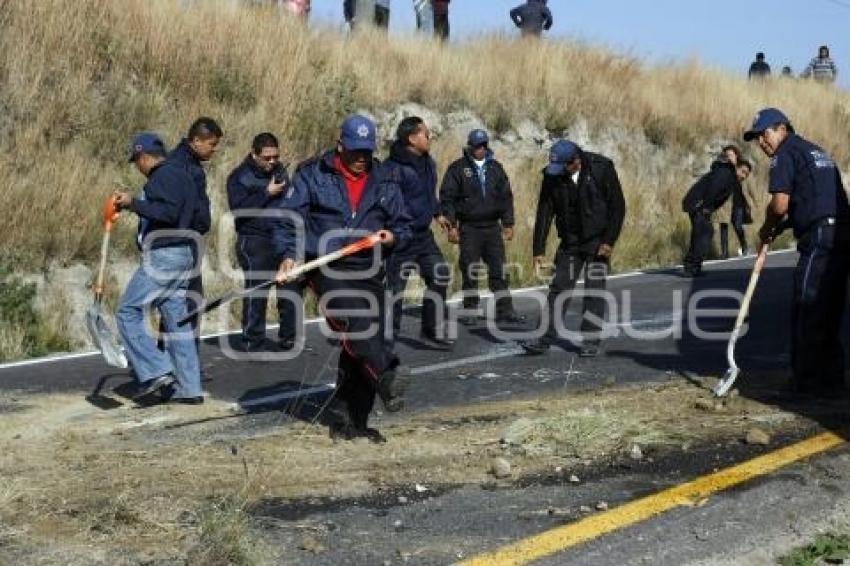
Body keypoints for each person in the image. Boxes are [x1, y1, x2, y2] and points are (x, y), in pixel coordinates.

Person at [275, 115, 412, 443]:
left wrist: (393, 237)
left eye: (366, 151)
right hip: (326, 269)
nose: (361, 158)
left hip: (369, 268)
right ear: (340, 146)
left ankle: (351, 422)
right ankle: (389, 374)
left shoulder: (386, 180)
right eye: (354, 151)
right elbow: (289, 220)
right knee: (357, 323)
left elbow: (404, 226)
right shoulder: (312, 175)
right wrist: (289, 257)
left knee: (363, 346)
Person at [744, 107, 850, 397]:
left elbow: (780, 203)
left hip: (820, 237)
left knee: (807, 304)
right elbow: (816, 201)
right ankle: (832, 381)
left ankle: (805, 383)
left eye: (764, 134)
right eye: (756, 139)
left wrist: (768, 228)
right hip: (841, 232)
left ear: (782, 128)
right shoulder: (817, 152)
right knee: (828, 309)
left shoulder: (785, 153)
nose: (762, 143)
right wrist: (786, 225)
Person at [114, 133, 206, 404]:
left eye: (136, 162)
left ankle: (157, 370)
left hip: (165, 254)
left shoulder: (162, 177)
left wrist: (134, 204)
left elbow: (167, 213)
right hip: (185, 253)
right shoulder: (186, 176)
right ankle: (190, 389)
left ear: (143, 157)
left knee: (128, 311)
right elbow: (200, 217)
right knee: (177, 321)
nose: (137, 167)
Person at [519, 140, 626, 357]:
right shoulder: (552, 175)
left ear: (575, 161)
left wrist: (609, 241)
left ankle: (590, 340)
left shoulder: (601, 168)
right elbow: (544, 212)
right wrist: (538, 250)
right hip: (570, 241)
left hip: (598, 241)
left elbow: (618, 206)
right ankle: (544, 337)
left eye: (563, 167)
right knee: (559, 287)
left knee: (594, 289)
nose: (559, 172)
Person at [227, 132, 304, 352]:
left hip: (279, 236)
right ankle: (253, 339)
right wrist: (266, 192)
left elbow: (290, 201)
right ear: (254, 154)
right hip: (253, 239)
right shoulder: (239, 177)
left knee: (290, 285)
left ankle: (290, 337)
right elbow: (238, 210)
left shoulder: (280, 171)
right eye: (267, 158)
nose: (272, 162)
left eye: (275, 157)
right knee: (258, 288)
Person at [439, 129, 524, 325]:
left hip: (493, 227)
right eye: (477, 145)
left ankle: (505, 310)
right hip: (469, 228)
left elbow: (506, 197)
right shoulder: (458, 169)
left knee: (499, 270)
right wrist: (451, 226)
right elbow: (447, 198)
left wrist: (508, 223)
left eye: (484, 145)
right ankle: (470, 309)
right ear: (470, 146)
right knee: (470, 269)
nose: (481, 149)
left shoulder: (496, 168)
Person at [384, 117, 453, 352]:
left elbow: (428, 194)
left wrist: (438, 213)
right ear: (412, 139)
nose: (430, 136)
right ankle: (386, 343)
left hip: (423, 236)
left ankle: (430, 332)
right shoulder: (393, 168)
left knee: (440, 274)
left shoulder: (428, 163)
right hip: (401, 237)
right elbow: (390, 203)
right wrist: (399, 228)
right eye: (425, 133)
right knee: (395, 290)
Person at [167, 118, 222, 367]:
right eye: (211, 144)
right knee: (187, 304)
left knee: (179, 303)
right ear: (196, 140)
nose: (214, 149)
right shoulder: (184, 167)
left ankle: (176, 363)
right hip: (184, 243)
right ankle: (184, 365)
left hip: (184, 241)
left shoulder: (181, 162)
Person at [682, 153, 752, 276]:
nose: (744, 176)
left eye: (746, 174)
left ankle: (691, 265)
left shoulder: (729, 176)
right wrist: (706, 208)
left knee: (700, 233)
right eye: (743, 171)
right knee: (705, 233)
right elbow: (713, 188)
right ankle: (693, 267)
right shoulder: (726, 174)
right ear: (737, 168)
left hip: (697, 203)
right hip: (698, 204)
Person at [713, 145, 751, 258]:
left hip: (738, 201)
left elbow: (743, 175)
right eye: (726, 155)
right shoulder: (721, 167)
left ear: (736, 155)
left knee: (737, 225)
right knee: (723, 225)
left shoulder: (742, 166)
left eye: (730, 154)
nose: (729, 157)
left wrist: (732, 168)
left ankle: (744, 244)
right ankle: (724, 253)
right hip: (724, 201)